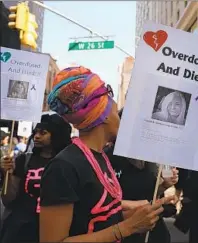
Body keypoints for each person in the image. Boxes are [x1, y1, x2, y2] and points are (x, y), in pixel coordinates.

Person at [39, 66, 173, 242]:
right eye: (114, 107)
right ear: (103, 114)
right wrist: (127, 227)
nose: (119, 117)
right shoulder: (63, 167)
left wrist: (132, 215)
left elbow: (95, 219)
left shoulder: (100, 156)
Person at [105, 109, 179, 243]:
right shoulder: (107, 157)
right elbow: (102, 202)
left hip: (155, 231)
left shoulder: (151, 156)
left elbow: (149, 192)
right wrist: (133, 206)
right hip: (124, 232)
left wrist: (164, 185)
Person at [0, 114, 72, 243]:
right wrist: (7, 174)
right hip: (20, 231)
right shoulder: (24, 160)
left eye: (43, 133)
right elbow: (8, 199)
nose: (36, 136)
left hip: (52, 232)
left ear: (57, 135)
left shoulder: (68, 164)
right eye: (35, 132)